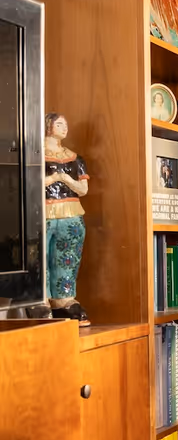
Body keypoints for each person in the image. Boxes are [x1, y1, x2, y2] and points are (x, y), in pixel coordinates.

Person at [42, 113, 90, 326]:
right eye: (59, 124)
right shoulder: (35, 155)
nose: (64, 128)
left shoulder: (74, 158)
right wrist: (52, 178)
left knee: (67, 258)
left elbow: (83, 189)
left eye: (66, 124)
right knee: (38, 258)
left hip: (71, 213)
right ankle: (40, 299)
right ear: (47, 126)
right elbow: (27, 181)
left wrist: (66, 178)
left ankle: (64, 299)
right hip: (42, 212)